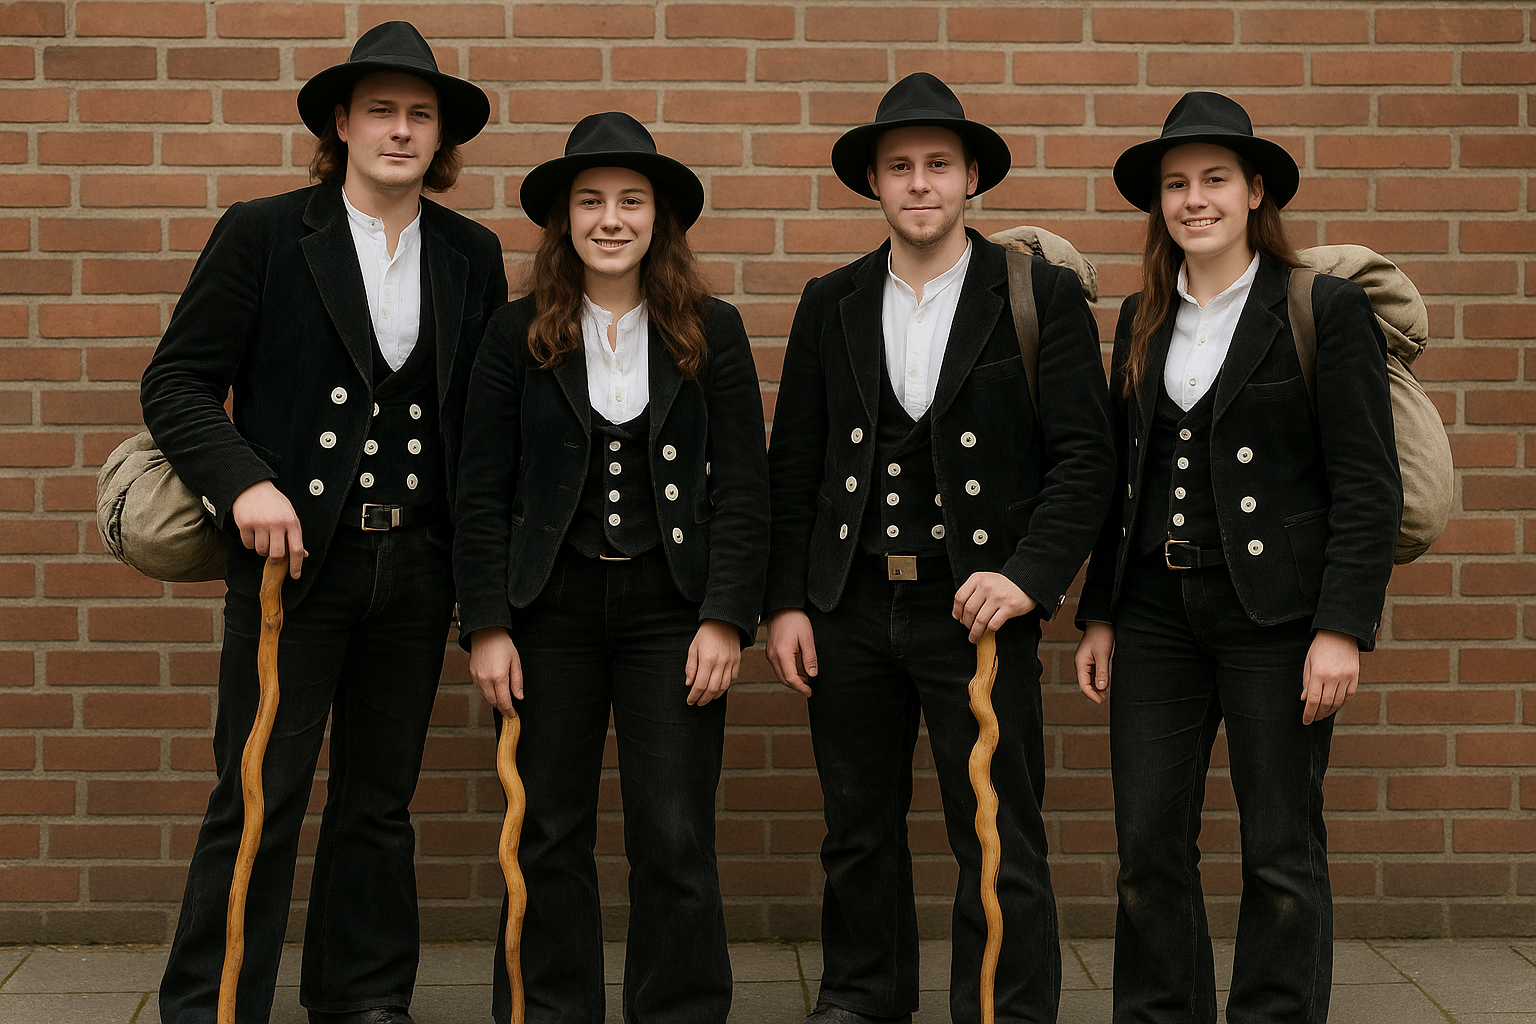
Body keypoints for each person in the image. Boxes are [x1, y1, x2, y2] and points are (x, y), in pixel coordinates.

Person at [140, 22, 506, 1024]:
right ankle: (213, 1008)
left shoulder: (471, 255)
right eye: (380, 110)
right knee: (258, 795)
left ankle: (364, 999)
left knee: (379, 804)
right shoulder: (265, 231)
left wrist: (480, 595)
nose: (399, 129)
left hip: (417, 567)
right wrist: (245, 482)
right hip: (290, 573)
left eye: (418, 114)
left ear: (441, 139)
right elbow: (174, 382)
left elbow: (480, 432)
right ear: (341, 122)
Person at [763, 73, 1116, 1024]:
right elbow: (792, 462)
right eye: (900, 167)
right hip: (849, 604)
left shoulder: (1039, 296)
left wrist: (1030, 578)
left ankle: (1001, 1009)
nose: (920, 183)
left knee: (997, 832)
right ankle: (861, 998)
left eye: (938, 166)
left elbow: (1086, 463)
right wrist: (788, 601)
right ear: (875, 184)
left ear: (970, 182)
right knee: (856, 830)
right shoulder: (828, 300)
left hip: (979, 611)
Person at [1073, 91, 1401, 1024]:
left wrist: (1342, 629)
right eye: (1176, 185)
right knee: (1147, 846)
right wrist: (1101, 610)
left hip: (1279, 617)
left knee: (1281, 850)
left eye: (1215, 179)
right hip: (1153, 614)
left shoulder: (1321, 308)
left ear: (1256, 191)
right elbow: (1119, 480)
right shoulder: (1140, 314)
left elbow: (1368, 487)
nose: (1194, 200)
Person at [453, 111, 770, 1024]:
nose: (611, 218)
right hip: (544, 610)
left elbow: (746, 487)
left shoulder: (714, 329)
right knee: (548, 830)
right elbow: (481, 491)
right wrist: (486, 624)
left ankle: (678, 1011)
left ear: (659, 219)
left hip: (670, 612)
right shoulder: (515, 335)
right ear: (563, 222)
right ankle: (554, 1010)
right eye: (590, 201)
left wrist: (725, 616)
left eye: (632, 201)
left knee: (672, 833)